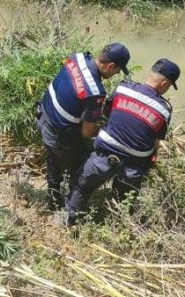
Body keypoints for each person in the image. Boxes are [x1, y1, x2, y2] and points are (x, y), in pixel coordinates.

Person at [63, 58, 180, 225]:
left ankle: (70, 222)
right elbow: (155, 144)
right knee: (123, 204)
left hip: (102, 157)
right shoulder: (164, 110)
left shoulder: (123, 88)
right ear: (164, 84)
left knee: (81, 187)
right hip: (133, 166)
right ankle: (119, 227)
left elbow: (108, 113)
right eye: (169, 86)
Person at [37, 43, 131, 211]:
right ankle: (72, 208)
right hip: (57, 134)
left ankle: (53, 198)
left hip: (44, 115)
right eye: (117, 70)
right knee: (83, 162)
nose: (116, 74)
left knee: (54, 158)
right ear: (110, 66)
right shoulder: (95, 93)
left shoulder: (78, 57)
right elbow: (87, 133)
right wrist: (107, 131)